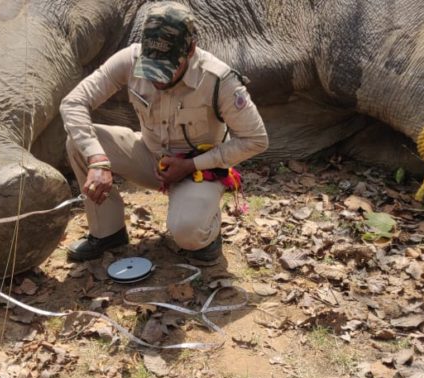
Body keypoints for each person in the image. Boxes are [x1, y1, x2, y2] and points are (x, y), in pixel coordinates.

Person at [60, 1, 268, 262]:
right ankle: (108, 232)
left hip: (199, 171)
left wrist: (192, 164)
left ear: (190, 49)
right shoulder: (130, 58)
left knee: (188, 234)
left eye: (167, 68)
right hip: (150, 156)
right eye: (152, 65)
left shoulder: (219, 80)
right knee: (78, 143)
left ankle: (206, 229)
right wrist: (97, 159)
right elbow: (74, 102)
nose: (157, 80)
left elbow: (256, 139)